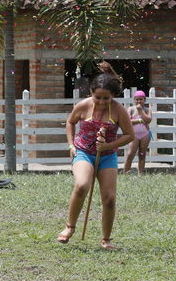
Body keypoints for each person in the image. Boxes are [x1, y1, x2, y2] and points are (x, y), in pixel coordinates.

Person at [57, 73, 134, 250]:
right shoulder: (83, 105)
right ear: (91, 93)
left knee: (109, 198)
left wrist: (108, 145)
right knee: (82, 185)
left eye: (105, 98)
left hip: (107, 156)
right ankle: (69, 227)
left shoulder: (118, 110)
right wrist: (71, 146)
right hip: (83, 152)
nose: (100, 101)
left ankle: (106, 239)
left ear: (113, 96)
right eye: (97, 97)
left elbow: (130, 135)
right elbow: (70, 122)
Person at [123, 90, 152, 174]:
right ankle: (126, 173)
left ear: (145, 100)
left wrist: (140, 111)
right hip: (134, 134)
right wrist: (139, 120)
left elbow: (148, 120)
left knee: (142, 154)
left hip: (145, 134)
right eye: (137, 99)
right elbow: (128, 121)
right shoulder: (131, 109)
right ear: (134, 100)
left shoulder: (147, 110)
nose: (139, 101)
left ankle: (141, 173)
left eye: (141, 99)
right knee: (130, 154)